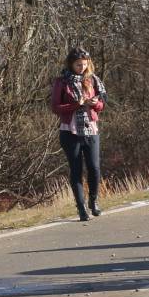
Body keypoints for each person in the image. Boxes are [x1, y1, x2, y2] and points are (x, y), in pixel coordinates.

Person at [49, 46, 107, 222]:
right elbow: (55, 107)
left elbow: (102, 105)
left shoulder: (93, 80)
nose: (81, 67)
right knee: (76, 170)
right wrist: (76, 104)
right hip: (70, 131)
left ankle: (94, 201)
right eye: (78, 65)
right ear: (71, 64)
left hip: (91, 129)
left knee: (94, 168)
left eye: (84, 64)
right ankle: (81, 208)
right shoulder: (62, 82)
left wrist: (94, 103)